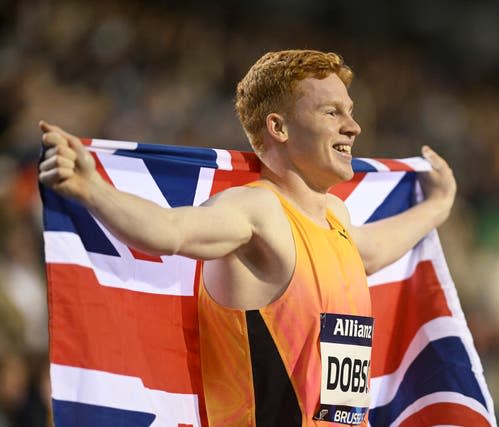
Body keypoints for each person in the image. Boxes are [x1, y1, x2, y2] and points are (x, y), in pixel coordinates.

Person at [38, 49, 456, 426]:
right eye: (332, 112)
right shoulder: (257, 212)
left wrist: (436, 207)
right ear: (279, 127)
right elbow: (170, 231)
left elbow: (372, 252)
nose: (354, 126)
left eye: (349, 111)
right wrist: (92, 189)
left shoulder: (335, 218)